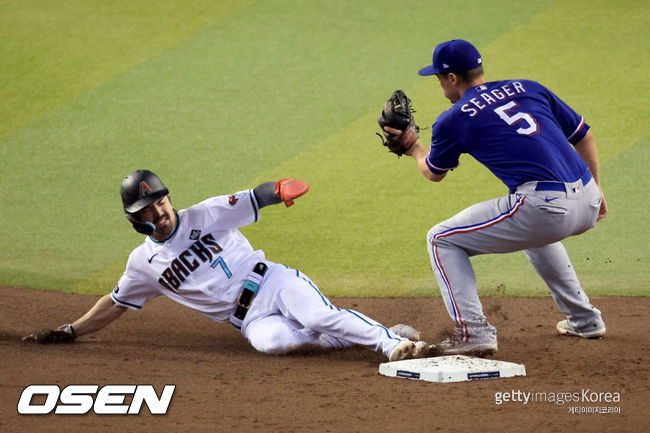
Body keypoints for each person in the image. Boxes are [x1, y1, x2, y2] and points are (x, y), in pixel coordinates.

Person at [23, 170, 428, 362]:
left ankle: (391, 344)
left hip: (272, 282)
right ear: (136, 220)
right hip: (247, 320)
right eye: (149, 209)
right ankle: (367, 333)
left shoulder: (205, 214)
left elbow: (254, 196)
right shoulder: (143, 265)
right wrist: (71, 330)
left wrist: (280, 190)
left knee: (316, 313)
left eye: (161, 201)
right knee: (276, 343)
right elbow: (113, 304)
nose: (160, 211)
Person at [383, 39, 607, 355]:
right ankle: (585, 320)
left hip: (546, 207)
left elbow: (434, 171)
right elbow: (585, 135)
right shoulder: (529, 87)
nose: (440, 85)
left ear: (451, 78)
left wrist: (413, 146)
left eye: (438, 79)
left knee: (442, 239)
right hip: (587, 197)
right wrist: (596, 189)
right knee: (534, 233)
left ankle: (473, 333)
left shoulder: (455, 117)